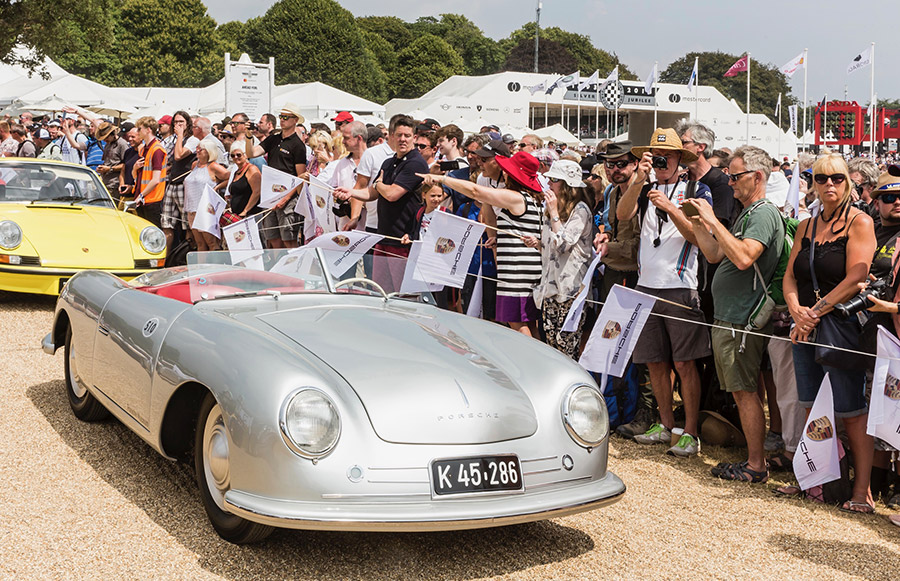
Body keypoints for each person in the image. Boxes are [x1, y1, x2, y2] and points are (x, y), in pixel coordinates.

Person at [782, 154, 877, 513]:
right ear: (814, 183)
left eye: (837, 178)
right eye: (821, 179)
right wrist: (796, 311)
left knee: (851, 409)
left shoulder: (860, 222)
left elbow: (857, 277)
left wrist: (815, 313)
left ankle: (862, 491)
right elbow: (790, 275)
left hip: (840, 327)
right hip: (804, 325)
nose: (830, 185)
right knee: (810, 405)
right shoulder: (806, 225)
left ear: (848, 182)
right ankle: (814, 479)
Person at [686, 145, 785, 483]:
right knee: (744, 391)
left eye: (735, 176)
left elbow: (744, 258)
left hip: (743, 318)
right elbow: (715, 254)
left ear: (758, 177)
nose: (729, 182)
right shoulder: (748, 213)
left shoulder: (762, 213)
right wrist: (700, 224)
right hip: (732, 316)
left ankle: (756, 465)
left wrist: (713, 219)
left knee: (745, 392)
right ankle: (754, 459)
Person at [617, 128, 713, 457]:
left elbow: (700, 238)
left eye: (667, 157)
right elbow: (622, 214)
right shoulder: (645, 186)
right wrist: (639, 179)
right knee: (655, 363)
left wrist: (672, 208)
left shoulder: (696, 189)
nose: (661, 163)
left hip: (681, 286)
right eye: (656, 157)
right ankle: (665, 424)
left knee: (685, 364)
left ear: (679, 159)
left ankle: (689, 432)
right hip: (647, 286)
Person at [418, 151, 544, 337]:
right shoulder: (534, 200)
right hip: (528, 268)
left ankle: (530, 362)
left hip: (517, 271)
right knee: (527, 322)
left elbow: (476, 192)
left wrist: (441, 179)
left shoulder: (516, 197)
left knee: (516, 323)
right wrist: (500, 240)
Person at [594, 141, 655, 439]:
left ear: (635, 165)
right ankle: (616, 407)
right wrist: (603, 236)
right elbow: (610, 227)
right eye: (609, 164)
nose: (614, 169)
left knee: (637, 350)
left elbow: (637, 248)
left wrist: (606, 249)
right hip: (612, 275)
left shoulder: (644, 192)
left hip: (634, 278)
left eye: (621, 164)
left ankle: (642, 411)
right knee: (611, 342)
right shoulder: (610, 191)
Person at [334, 115, 428, 291]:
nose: (402, 139)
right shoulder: (389, 162)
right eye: (399, 135)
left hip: (402, 241)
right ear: (391, 136)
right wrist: (351, 192)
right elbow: (372, 192)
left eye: (407, 135)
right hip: (383, 237)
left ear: (414, 138)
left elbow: (392, 194)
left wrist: (378, 184)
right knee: (380, 292)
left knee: (402, 295)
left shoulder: (416, 163)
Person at [523, 160, 593, 357]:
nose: (549, 184)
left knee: (566, 349)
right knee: (551, 348)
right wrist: (538, 243)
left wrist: (554, 212)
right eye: (549, 179)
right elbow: (552, 249)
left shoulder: (580, 210)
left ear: (567, 185)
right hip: (550, 289)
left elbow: (564, 244)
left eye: (554, 179)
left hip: (570, 292)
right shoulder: (550, 211)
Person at [249, 103, 308, 248]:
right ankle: (278, 267)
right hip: (271, 194)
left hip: (288, 197)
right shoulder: (273, 139)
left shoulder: (298, 145)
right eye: (281, 116)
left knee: (289, 239)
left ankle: (293, 268)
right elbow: (251, 153)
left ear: (295, 120)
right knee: (273, 238)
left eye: (286, 117)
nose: (282, 120)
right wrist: (247, 137)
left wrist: (286, 198)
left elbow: (300, 177)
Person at [161, 111, 200, 252]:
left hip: (184, 186)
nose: (177, 125)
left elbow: (179, 155)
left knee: (187, 225)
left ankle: (188, 255)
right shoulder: (172, 139)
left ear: (187, 124)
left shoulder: (193, 140)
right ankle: (165, 259)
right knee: (166, 223)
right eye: (175, 122)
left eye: (181, 122)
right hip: (172, 184)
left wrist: (180, 135)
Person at [183, 140, 230, 251]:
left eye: (201, 149)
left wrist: (217, 187)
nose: (197, 150)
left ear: (209, 151)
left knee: (211, 242)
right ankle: (200, 267)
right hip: (192, 209)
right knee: (199, 243)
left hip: (205, 209)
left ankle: (216, 267)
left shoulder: (213, 166)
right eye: (197, 148)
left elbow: (230, 177)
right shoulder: (194, 165)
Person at [133, 116, 168, 227]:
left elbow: (156, 180)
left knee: (152, 234)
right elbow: (137, 176)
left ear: (148, 130)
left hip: (152, 200)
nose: (137, 132)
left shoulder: (157, 150)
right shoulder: (144, 149)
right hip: (143, 199)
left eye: (139, 129)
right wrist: (134, 168)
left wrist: (141, 196)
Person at [225, 142, 262, 221]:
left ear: (245, 155)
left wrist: (245, 211)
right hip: (237, 215)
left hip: (250, 214)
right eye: (232, 155)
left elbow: (257, 192)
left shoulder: (252, 169)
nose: (235, 157)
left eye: (238, 155)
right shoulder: (236, 172)